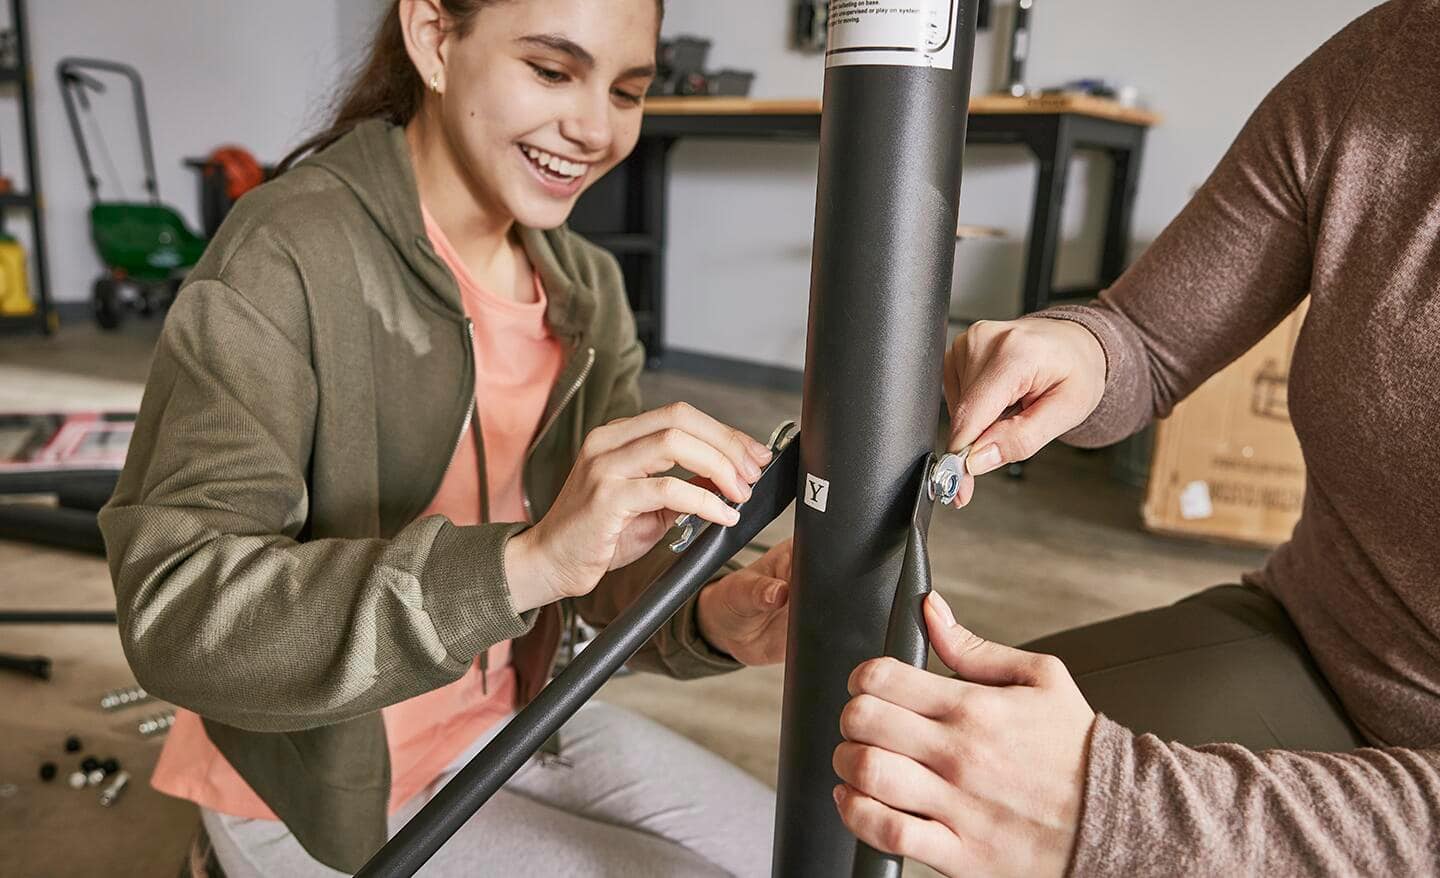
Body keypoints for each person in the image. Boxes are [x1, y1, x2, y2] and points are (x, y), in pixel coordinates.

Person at [99, 2, 793, 875]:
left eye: (626, 90)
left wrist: (715, 613)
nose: (592, 127)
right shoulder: (285, 252)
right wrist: (526, 562)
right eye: (550, 70)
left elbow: (596, 569)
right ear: (433, 37)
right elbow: (181, 614)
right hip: (318, 778)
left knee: (803, 852)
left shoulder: (587, 288)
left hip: (513, 715)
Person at [831, 1, 1440, 874]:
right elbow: (1148, 341)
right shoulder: (1395, 58)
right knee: (909, 777)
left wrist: (1114, 811)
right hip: (1322, 636)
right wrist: (1080, 350)